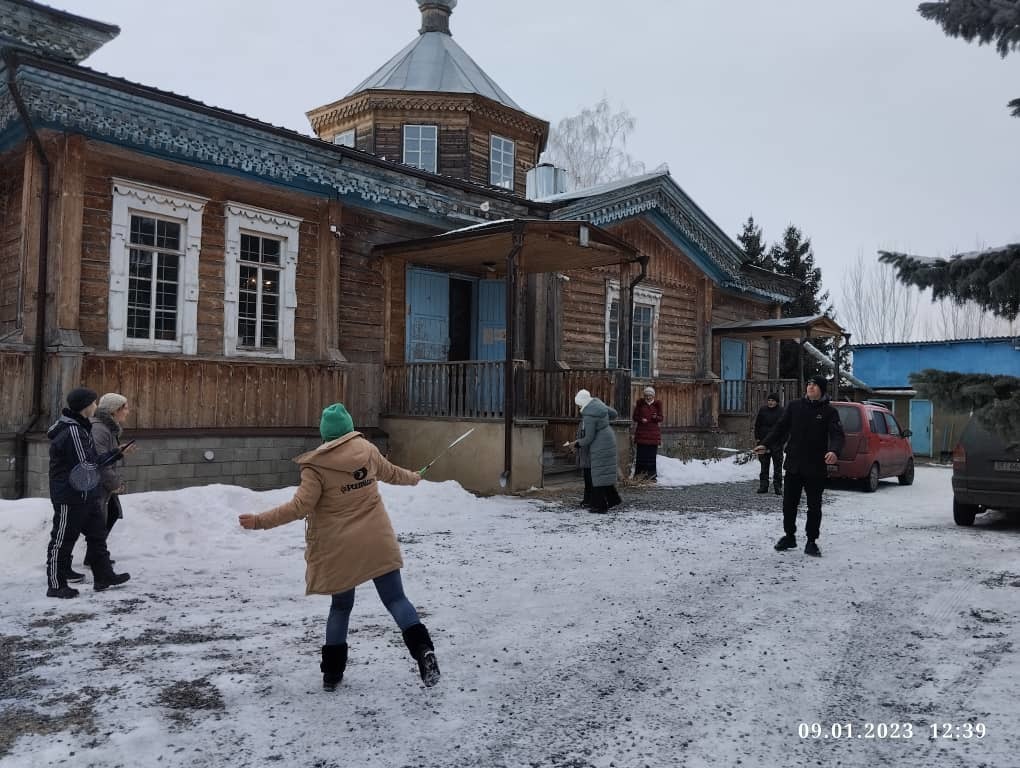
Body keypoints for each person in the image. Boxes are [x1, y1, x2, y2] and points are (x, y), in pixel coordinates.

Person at [238, 402, 440, 690]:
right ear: (348, 429)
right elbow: (393, 473)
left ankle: (332, 673)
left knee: (341, 606)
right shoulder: (367, 450)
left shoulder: (316, 467)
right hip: (377, 540)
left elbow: (299, 507)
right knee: (396, 599)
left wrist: (259, 521)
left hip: (340, 548)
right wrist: (414, 477)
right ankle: (423, 650)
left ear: (325, 435)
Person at [45, 387, 131, 598]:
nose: (96, 406)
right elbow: (86, 464)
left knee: (97, 536)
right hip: (71, 495)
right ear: (85, 406)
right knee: (62, 540)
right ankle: (56, 585)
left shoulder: (82, 427)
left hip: (87, 492)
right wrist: (114, 455)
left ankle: (104, 577)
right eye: (93, 402)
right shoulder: (73, 431)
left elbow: (89, 462)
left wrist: (116, 453)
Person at [754, 376, 844, 558]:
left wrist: (834, 451)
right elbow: (780, 428)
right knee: (789, 504)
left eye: (815, 385)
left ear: (822, 389)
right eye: (809, 384)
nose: (810, 387)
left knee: (814, 506)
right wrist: (765, 444)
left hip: (815, 466)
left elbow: (837, 435)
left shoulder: (829, 412)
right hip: (794, 464)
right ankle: (789, 536)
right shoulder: (794, 406)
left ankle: (811, 541)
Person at [87, 393, 132, 565]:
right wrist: (114, 483)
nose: (127, 411)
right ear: (114, 410)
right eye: (125, 408)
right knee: (96, 521)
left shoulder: (108, 429)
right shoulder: (99, 429)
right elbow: (99, 461)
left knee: (111, 513)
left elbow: (107, 456)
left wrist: (119, 451)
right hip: (97, 483)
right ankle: (96, 558)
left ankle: (94, 555)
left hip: (102, 482)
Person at [573, 389, 621, 513]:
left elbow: (588, 438)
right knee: (603, 472)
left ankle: (599, 506)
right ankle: (613, 499)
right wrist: (603, 423)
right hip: (609, 437)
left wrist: (577, 443)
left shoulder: (589, 415)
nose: (579, 407)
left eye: (579, 404)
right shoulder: (598, 404)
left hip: (599, 443)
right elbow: (614, 414)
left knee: (597, 475)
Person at [753, 393, 784, 494]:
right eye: (769, 400)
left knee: (777, 466)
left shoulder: (782, 411)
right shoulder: (763, 410)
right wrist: (757, 438)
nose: (770, 402)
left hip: (776, 443)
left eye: (773, 401)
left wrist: (782, 441)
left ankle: (778, 487)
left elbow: (785, 428)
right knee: (764, 465)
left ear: (777, 402)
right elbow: (757, 424)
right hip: (763, 442)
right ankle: (763, 486)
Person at [632, 386, 663, 481]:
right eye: (646, 395)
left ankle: (651, 476)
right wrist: (641, 419)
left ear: (653, 396)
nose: (648, 397)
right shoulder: (640, 404)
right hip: (642, 433)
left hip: (653, 434)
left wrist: (655, 417)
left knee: (651, 456)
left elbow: (661, 418)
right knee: (641, 456)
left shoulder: (657, 405)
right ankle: (639, 475)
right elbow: (635, 417)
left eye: (650, 395)